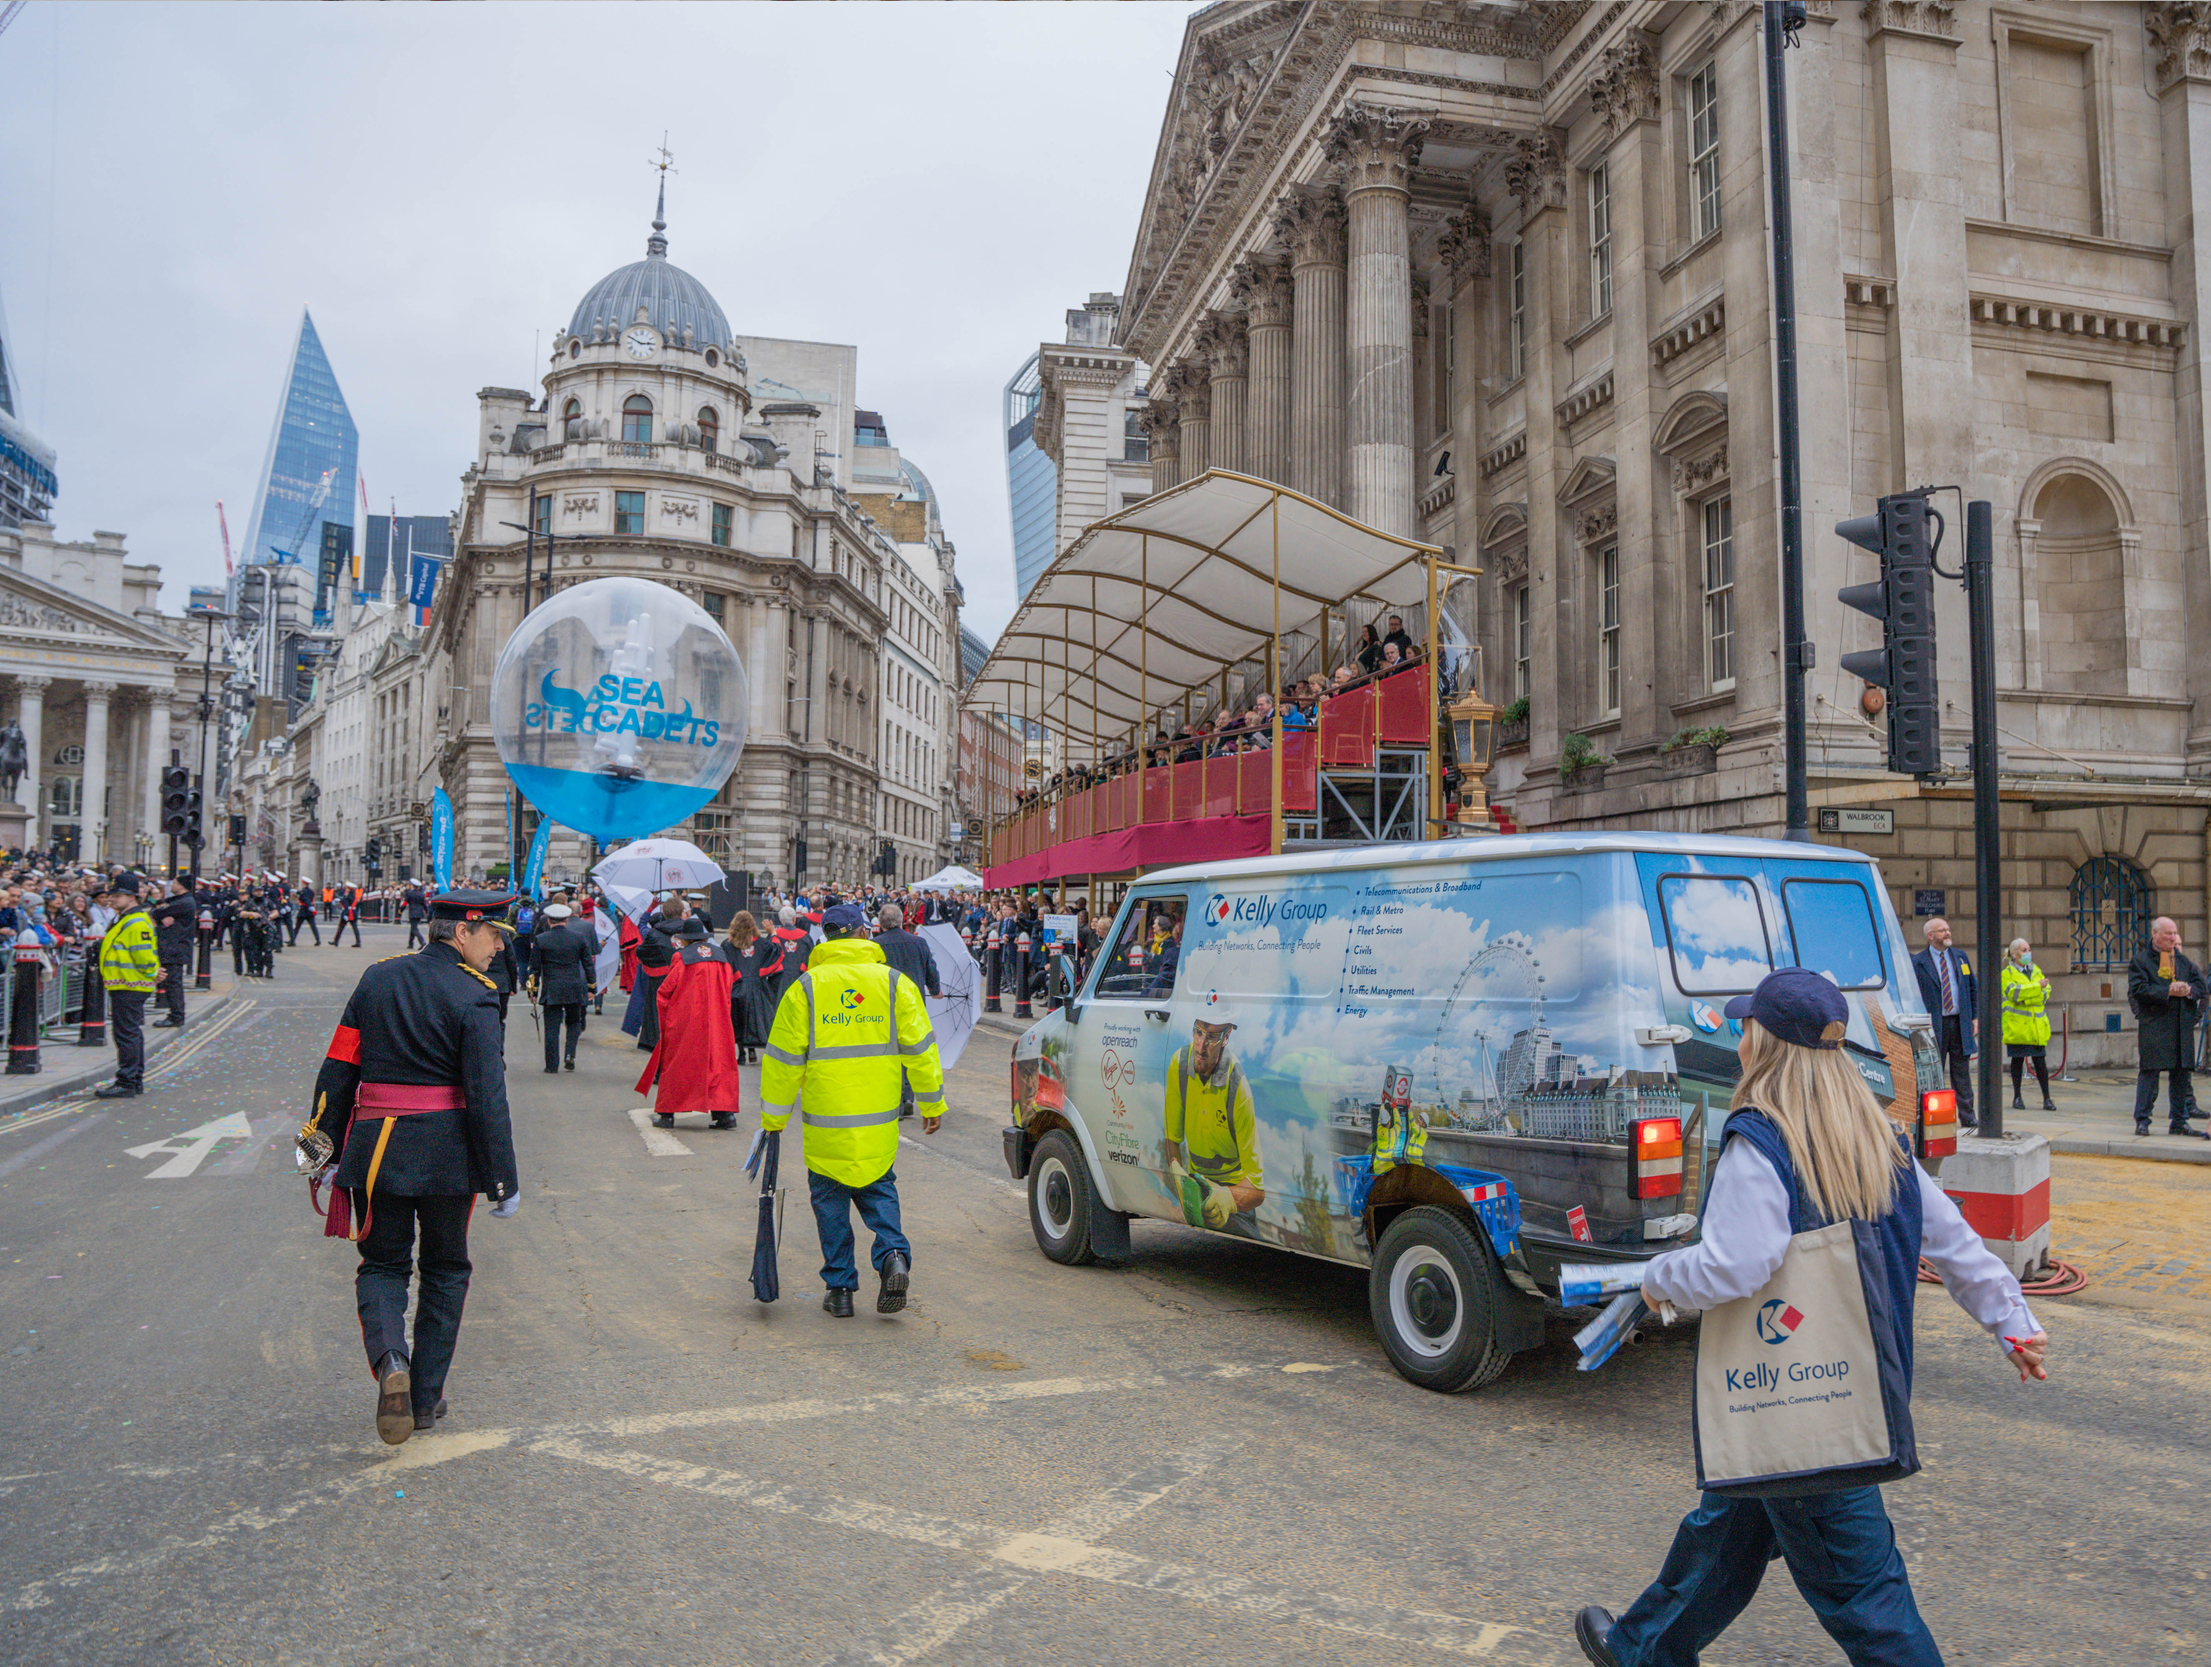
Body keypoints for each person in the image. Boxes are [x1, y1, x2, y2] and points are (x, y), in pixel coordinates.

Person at [1573, 968, 2048, 1667]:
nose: (1737, 1038)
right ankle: (1643, 1648)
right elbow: (1950, 1241)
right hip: (1840, 1387)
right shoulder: (1879, 1139)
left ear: (1763, 1042)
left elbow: (1737, 1262)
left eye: (1744, 1026)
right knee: (1729, 1523)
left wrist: (1657, 1278)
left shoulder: (1757, 1142)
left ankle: (1645, 1648)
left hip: (1799, 1405)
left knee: (1870, 1604)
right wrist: (2010, 1321)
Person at [295, 890, 520, 1445]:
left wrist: (317, 1153)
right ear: (462, 933)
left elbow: (338, 1069)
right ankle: (423, 1398)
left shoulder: (378, 978)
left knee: (381, 1267)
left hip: (375, 1152)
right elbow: (487, 1096)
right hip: (448, 1157)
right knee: (445, 1271)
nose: (498, 948)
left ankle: (391, 1360)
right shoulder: (477, 995)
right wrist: (502, 1180)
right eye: (493, 935)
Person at [759, 901, 945, 1318]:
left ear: (826, 937)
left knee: (829, 1204)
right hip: (878, 1121)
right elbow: (921, 1050)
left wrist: (773, 1120)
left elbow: (783, 1061)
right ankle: (893, 1255)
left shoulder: (805, 988)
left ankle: (840, 1290)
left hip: (826, 1123)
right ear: (865, 934)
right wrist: (932, 1103)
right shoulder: (895, 985)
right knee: (880, 1189)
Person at [635, 910, 739, 1131]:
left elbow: (665, 992)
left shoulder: (681, 957)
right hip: (717, 1018)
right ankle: (724, 1114)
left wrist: (665, 1018)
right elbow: (728, 987)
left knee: (677, 1064)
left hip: (687, 1019)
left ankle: (666, 1114)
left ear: (684, 939)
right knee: (718, 1064)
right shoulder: (721, 956)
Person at [1162, 1015, 1264, 1234]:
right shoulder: (1178, 1065)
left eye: (1212, 1037)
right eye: (1198, 1032)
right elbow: (1172, 1140)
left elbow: (1256, 1190)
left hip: (1235, 1199)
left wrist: (1227, 1199)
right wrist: (1177, 1171)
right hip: (1198, 1191)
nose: (1201, 1046)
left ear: (1227, 1036)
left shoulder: (1238, 1087)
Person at [2128, 915, 2208, 1138]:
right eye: (2168, 933)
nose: (2173, 938)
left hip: (2180, 1026)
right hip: (2155, 1026)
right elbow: (2138, 990)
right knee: (2150, 1074)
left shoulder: (2183, 962)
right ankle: (2142, 1120)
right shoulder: (2140, 961)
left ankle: (2179, 1121)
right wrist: (2168, 991)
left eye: (2175, 933)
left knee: (2181, 1075)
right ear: (2155, 934)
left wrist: (2189, 990)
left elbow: (2201, 988)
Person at [93, 875, 159, 1100]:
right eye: (110, 895)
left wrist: (152, 972)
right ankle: (134, 1079)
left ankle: (127, 1081)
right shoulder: (125, 919)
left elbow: (143, 953)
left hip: (130, 983)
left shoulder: (136, 921)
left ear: (132, 897)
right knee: (130, 1032)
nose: (111, 899)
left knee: (126, 1034)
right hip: (125, 982)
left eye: (117, 895)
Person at [1910, 918, 1978, 1131]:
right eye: (1942, 931)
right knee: (1933, 1073)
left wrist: (1974, 1017)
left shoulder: (1960, 957)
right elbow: (1913, 995)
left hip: (1959, 1023)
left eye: (1948, 929)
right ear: (1930, 936)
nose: (1947, 933)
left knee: (1962, 1073)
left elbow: (1972, 988)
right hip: (1934, 1026)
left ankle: (1968, 1117)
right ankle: (1934, 1118)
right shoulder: (1918, 962)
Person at [875, 902, 941, 1120]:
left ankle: (897, 1098)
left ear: (880, 923)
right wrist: (935, 990)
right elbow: (931, 969)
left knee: (890, 1051)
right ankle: (908, 1097)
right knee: (911, 1050)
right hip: (913, 1004)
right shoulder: (919, 942)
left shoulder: (874, 946)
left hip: (885, 1004)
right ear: (902, 921)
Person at [530, 901, 594, 1072]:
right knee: (574, 1022)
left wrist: (533, 991)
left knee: (551, 1028)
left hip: (552, 988)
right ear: (566, 921)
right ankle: (569, 1055)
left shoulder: (541, 939)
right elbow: (588, 965)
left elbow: (534, 969)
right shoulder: (578, 938)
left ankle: (551, 1065)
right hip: (574, 986)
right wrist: (592, 987)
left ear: (549, 921)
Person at [2001, 938, 2055, 1113]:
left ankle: (2047, 1098)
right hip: (2017, 1027)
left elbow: (2046, 993)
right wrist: (2036, 987)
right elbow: (2014, 993)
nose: (2028, 953)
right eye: (2024, 950)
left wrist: (2031, 992)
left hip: (2035, 1027)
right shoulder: (2007, 973)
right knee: (2017, 1062)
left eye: (2029, 949)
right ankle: (2017, 1097)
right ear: (2014, 953)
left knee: (2040, 1063)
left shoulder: (2035, 970)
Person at [723, 910, 781, 1067]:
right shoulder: (761, 943)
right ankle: (752, 1051)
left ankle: (741, 1054)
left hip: (738, 986)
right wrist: (773, 933)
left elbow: (725, 965)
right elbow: (777, 950)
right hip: (757, 985)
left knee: (739, 1020)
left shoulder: (728, 944)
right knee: (753, 1019)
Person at [148, 879, 195, 1029]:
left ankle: (176, 1016)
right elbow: (159, 910)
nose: (171, 886)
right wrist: (161, 915)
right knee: (171, 982)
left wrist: (159, 914)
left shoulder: (185, 902)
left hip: (175, 947)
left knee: (173, 982)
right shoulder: (180, 901)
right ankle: (175, 1014)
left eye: (174, 883)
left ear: (181, 885)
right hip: (172, 946)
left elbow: (156, 912)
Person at [291, 879, 321, 946]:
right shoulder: (311, 891)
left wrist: (309, 905)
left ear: (303, 883)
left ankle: (292, 940)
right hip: (310, 912)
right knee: (313, 926)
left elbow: (305, 899)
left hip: (303, 910)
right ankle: (318, 939)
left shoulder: (303, 892)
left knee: (297, 926)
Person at [403, 883, 429, 950]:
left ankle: (422, 941)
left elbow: (405, 903)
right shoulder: (421, 894)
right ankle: (410, 944)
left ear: (412, 886)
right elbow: (424, 905)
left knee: (414, 929)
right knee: (413, 927)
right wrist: (427, 912)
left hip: (412, 913)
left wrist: (400, 910)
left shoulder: (409, 893)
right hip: (419, 914)